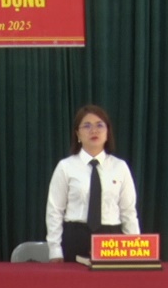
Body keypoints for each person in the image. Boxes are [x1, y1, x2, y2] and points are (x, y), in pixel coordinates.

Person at [46, 104, 139, 262]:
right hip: (75, 237)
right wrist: (55, 250)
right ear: (78, 133)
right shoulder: (65, 167)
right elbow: (54, 211)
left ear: (107, 132)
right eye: (87, 126)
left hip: (111, 240)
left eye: (99, 125)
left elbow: (128, 212)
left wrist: (135, 248)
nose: (94, 131)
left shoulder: (120, 167)